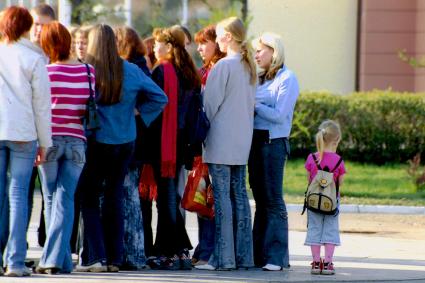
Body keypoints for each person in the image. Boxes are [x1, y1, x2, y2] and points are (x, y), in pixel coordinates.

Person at [75, 24, 167, 273]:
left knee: (89, 197)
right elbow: (160, 97)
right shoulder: (131, 70)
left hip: (97, 142)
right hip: (126, 141)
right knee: (114, 198)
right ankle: (115, 258)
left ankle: (96, 257)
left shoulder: (87, 71)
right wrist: (138, 112)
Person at [195, 17, 256, 271]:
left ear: (228, 37)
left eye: (220, 35)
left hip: (220, 142)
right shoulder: (248, 66)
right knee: (240, 197)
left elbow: (209, 106)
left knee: (221, 201)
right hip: (242, 142)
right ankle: (244, 257)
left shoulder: (223, 67)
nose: (217, 40)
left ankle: (223, 258)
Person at [34, 21, 94, 275]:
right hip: (77, 141)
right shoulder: (88, 71)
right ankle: (63, 261)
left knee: (52, 199)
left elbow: (38, 109)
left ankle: (50, 260)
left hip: (49, 142)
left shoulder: (44, 72)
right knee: (65, 200)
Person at [0, 6, 52, 277]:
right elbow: (42, 105)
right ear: (25, 28)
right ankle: (15, 261)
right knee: (18, 195)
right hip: (24, 132)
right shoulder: (33, 57)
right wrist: (45, 142)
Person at [148, 25, 201, 270]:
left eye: (158, 43)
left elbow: (154, 107)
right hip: (181, 145)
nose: (154, 47)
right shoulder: (188, 72)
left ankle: (168, 252)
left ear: (169, 47)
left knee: (166, 199)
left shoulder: (163, 70)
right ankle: (179, 251)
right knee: (170, 198)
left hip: (164, 143)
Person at [248, 32, 299, 271]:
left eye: (260, 50)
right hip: (255, 142)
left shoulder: (288, 78)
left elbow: (279, 114)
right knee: (260, 200)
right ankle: (259, 255)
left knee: (274, 200)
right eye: (255, 51)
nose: (256, 54)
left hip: (273, 143)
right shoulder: (258, 79)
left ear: (274, 51)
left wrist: (256, 106)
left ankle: (277, 257)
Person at [114, 25, 151, 270]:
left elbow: (156, 97)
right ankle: (135, 252)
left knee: (129, 198)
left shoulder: (134, 67)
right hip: (135, 139)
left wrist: (138, 112)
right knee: (131, 198)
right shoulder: (140, 65)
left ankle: (133, 253)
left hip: (131, 139)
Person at [191, 24, 225, 266]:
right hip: (202, 144)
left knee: (211, 198)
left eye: (205, 42)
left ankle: (209, 250)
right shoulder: (203, 71)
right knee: (202, 196)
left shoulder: (221, 70)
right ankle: (203, 247)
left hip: (216, 143)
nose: (200, 48)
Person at [28, 2, 56, 249]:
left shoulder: (56, 55)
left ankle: (48, 242)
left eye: (44, 26)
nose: (39, 31)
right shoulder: (20, 53)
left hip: (52, 132)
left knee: (50, 192)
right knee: (23, 191)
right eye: (36, 25)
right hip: (25, 133)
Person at [304, 120, 346, 275]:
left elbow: (309, 180)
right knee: (330, 231)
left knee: (314, 229)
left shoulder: (311, 158)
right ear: (336, 140)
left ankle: (316, 263)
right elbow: (340, 182)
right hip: (331, 202)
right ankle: (327, 264)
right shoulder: (339, 160)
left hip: (314, 201)